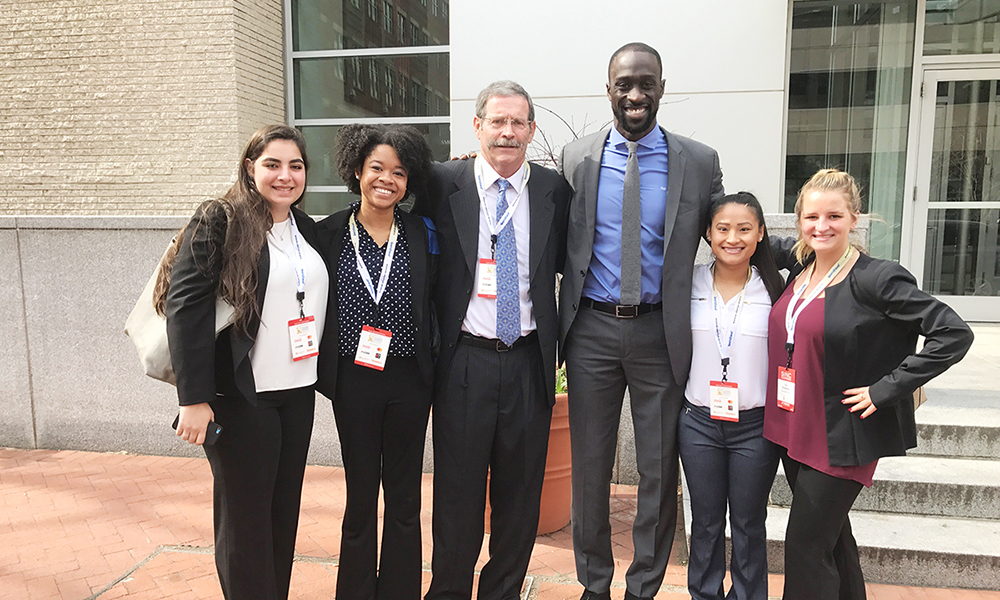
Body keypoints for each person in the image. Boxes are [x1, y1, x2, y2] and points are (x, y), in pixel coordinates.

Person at [558, 42, 725, 600]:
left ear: (661, 87)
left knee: (658, 471)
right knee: (590, 466)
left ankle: (643, 587)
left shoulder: (698, 162)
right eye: (624, 83)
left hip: (661, 332)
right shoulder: (574, 155)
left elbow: (731, 239)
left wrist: (804, 256)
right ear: (608, 89)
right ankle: (594, 584)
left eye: (646, 83)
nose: (635, 94)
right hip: (591, 332)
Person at [763, 168, 974, 600]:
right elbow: (743, 235)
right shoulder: (802, 266)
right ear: (799, 220)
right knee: (834, 542)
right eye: (811, 217)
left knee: (805, 547)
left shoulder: (877, 277)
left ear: (854, 218)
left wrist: (886, 389)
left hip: (842, 434)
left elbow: (953, 333)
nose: (822, 226)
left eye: (834, 216)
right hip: (793, 426)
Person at [414, 80, 571, 600]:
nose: (507, 132)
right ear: (477, 126)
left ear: (531, 130)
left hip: (528, 362)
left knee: (520, 498)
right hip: (464, 363)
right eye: (497, 121)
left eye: (518, 123)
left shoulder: (554, 191)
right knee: (456, 496)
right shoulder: (441, 182)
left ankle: (502, 592)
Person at [161, 124, 328, 600]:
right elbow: (186, 307)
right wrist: (194, 398)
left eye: (295, 166)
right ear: (250, 167)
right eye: (272, 164)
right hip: (241, 398)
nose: (285, 175)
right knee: (244, 523)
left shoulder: (306, 230)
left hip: (297, 395)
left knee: (281, 516)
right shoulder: (222, 219)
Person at [313, 124, 436, 600]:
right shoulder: (325, 234)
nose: (387, 180)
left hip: (410, 381)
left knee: (405, 497)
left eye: (399, 173)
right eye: (377, 168)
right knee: (361, 495)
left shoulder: (424, 234)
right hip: (354, 381)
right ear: (357, 171)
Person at [678, 192, 784, 600]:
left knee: (748, 522)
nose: (732, 238)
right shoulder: (687, 283)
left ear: (760, 234)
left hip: (754, 427)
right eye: (722, 228)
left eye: (744, 229)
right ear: (708, 233)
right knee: (704, 523)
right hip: (699, 423)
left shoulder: (779, 287)